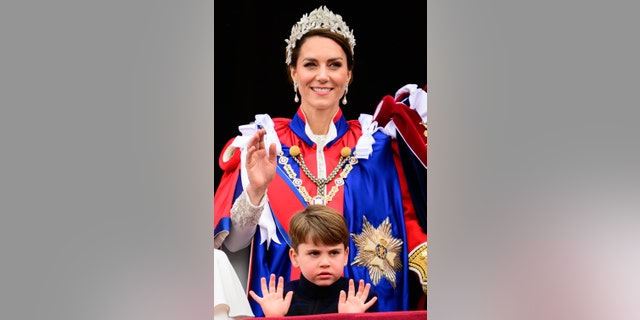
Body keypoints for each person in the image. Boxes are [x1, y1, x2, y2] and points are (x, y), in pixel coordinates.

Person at [213, 5, 427, 317]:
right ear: (293, 72)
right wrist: (256, 192)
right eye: (311, 64)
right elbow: (231, 247)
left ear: (348, 75)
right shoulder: (261, 143)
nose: (322, 76)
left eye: (334, 64)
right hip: (280, 311)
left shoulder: (378, 147)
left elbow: (408, 225)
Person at [248, 205, 378, 316]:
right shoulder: (280, 300)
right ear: (295, 257)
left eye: (334, 253)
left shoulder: (360, 298)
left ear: (345, 255)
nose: (325, 263)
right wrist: (274, 318)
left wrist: (352, 319)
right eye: (314, 253)